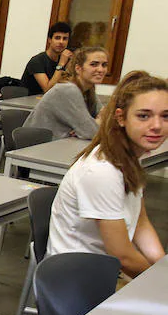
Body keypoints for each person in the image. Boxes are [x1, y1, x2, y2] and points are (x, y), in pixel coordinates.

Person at [47, 71, 168, 279]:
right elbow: (122, 256)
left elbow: (140, 222)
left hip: (105, 267)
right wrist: (159, 281)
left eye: (165, 116)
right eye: (143, 116)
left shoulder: (129, 156)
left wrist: (162, 266)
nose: (156, 126)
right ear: (121, 118)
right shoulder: (102, 171)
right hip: (77, 279)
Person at [23, 47, 108, 140]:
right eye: (94, 64)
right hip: (37, 148)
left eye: (104, 65)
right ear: (78, 68)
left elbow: (107, 118)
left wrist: (91, 125)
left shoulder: (89, 89)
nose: (100, 69)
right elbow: (92, 132)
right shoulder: (68, 90)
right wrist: (97, 122)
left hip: (61, 144)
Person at [20, 21, 72, 95]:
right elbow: (48, 91)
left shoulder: (66, 60)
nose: (61, 42)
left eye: (65, 39)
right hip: (28, 103)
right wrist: (61, 64)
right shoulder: (37, 61)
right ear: (49, 40)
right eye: (57, 38)